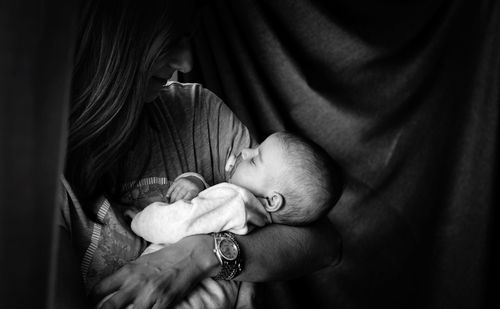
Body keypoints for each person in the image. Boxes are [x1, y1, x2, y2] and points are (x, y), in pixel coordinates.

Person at [58, 0, 342, 308]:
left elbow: (322, 243)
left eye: (187, 37)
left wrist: (200, 255)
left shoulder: (199, 114)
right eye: (169, 39)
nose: (187, 62)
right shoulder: (34, 164)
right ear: (114, 39)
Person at [131, 131, 343, 247]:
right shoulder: (257, 221)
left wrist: (138, 220)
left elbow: (174, 224)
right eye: (256, 147)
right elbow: (209, 211)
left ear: (271, 201)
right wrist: (196, 182)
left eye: (254, 161)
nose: (245, 151)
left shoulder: (236, 201)